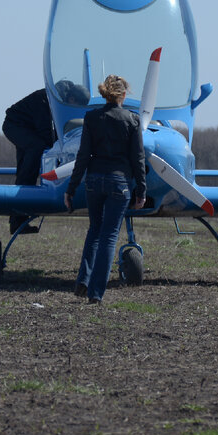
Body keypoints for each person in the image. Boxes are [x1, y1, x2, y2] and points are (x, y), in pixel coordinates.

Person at [64, 75, 146, 304]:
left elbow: (83, 156)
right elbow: (138, 158)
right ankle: (96, 293)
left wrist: (71, 188)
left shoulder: (91, 117)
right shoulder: (133, 120)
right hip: (119, 183)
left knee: (94, 231)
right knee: (109, 236)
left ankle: (83, 280)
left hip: (93, 180)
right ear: (123, 94)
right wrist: (141, 190)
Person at [2, 88, 54, 234]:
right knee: (35, 151)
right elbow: (45, 131)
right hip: (13, 125)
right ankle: (18, 220)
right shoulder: (45, 100)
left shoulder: (57, 97)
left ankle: (18, 220)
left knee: (26, 166)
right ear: (70, 98)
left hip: (28, 128)